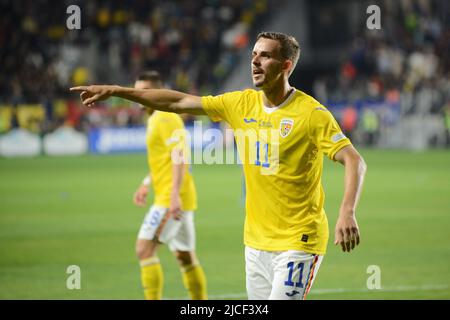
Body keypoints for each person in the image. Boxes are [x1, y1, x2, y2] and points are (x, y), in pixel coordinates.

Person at [71, 32, 367, 300]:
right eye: (253, 54)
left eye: (265, 55)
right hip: (255, 242)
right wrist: (117, 91)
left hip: (299, 241)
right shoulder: (240, 104)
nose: (255, 61)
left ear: (286, 65)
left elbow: (354, 160)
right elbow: (178, 102)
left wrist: (347, 211)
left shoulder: (311, 113)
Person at [131, 71, 207, 300]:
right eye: (136, 90)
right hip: (178, 196)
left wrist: (174, 195)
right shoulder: (155, 117)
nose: (137, 95)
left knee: (144, 250)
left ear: (157, 92)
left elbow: (179, 156)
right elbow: (164, 159)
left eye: (144, 90)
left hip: (171, 199)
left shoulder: (165, 117)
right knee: (185, 256)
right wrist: (147, 182)